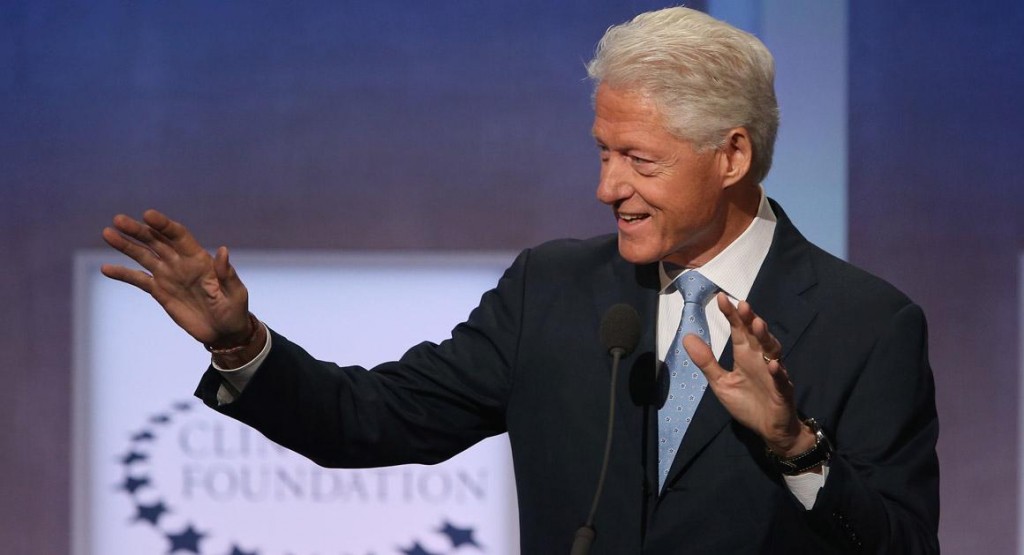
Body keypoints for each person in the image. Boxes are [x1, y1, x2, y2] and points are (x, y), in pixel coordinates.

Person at [101, 7, 939, 554]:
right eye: (603, 152)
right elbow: (370, 419)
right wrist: (240, 344)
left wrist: (796, 447)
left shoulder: (869, 326)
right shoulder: (554, 290)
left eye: (639, 159)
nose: (607, 187)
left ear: (732, 156)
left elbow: (901, 543)